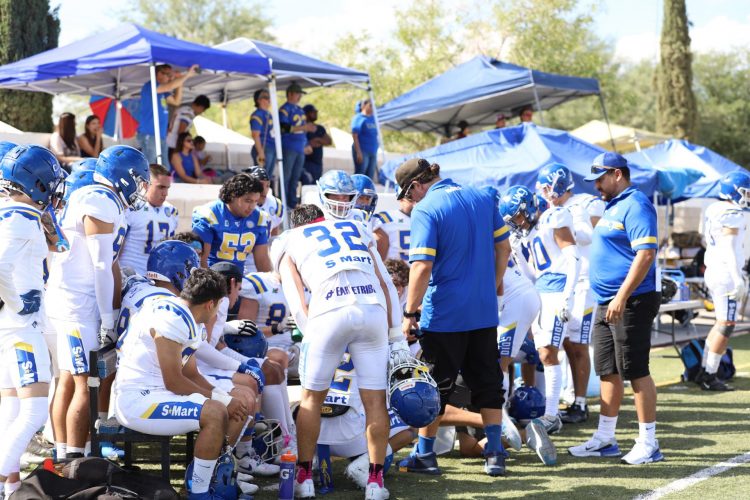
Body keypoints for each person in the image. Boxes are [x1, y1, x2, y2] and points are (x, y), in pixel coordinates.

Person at [395, 158, 512, 477]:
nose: (410, 201)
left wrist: (410, 312)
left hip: (444, 312)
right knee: (489, 383)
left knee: (434, 387)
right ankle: (495, 453)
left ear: (415, 186)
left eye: (408, 194)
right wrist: (490, 287)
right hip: (483, 310)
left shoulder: (426, 208)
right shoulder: (483, 196)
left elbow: (421, 266)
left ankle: (425, 454)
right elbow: (504, 249)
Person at [279, 204, 394, 499]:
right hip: (372, 309)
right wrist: (397, 336)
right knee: (376, 401)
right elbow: (385, 282)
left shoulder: (289, 238)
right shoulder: (355, 226)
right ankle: (375, 482)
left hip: (329, 311)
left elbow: (295, 298)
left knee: (311, 400)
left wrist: (312, 333)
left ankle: (305, 478)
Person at [47, 145, 149, 460]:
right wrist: (108, 318)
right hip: (76, 304)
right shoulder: (99, 200)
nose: (140, 188)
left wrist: (112, 308)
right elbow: (101, 265)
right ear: (125, 176)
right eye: (139, 180)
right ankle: (74, 459)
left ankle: (68, 456)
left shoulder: (107, 200)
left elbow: (112, 264)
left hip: (79, 301)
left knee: (71, 379)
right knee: (84, 383)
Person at [114, 268, 251, 500]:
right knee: (215, 412)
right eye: (219, 305)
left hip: (157, 394)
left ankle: (210, 479)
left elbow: (192, 375)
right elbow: (174, 381)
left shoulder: (185, 315)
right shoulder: (172, 318)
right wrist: (222, 400)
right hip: (137, 400)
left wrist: (225, 397)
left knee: (232, 403)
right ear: (210, 304)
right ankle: (199, 493)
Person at [569, 152, 661, 465]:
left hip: (631, 300)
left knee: (636, 370)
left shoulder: (636, 204)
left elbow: (645, 254)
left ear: (617, 174)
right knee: (607, 369)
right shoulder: (613, 204)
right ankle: (605, 438)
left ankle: (649, 443)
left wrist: (621, 296)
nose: (596, 186)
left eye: (600, 179)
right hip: (607, 300)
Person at [0, 145, 66, 497]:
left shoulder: (16, 212)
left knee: (12, 409)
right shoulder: (20, 217)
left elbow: (59, 247)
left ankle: (11, 487)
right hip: (21, 327)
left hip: (12, 326)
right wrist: (18, 302)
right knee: (34, 411)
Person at [536, 163, 605, 423]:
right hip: (559, 284)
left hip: (583, 282)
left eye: (547, 186)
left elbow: (595, 235)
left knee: (577, 344)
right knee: (560, 343)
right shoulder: (550, 211)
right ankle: (564, 397)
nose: (545, 192)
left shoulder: (587, 203)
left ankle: (580, 403)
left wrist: (566, 225)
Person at [698, 171, 750, 391]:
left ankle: (704, 370)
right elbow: (729, 247)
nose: (748, 196)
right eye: (746, 192)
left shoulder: (715, 208)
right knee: (727, 325)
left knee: (721, 322)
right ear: (733, 191)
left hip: (716, 270)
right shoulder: (732, 212)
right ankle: (710, 375)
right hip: (727, 274)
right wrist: (737, 278)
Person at [191, 174, 271, 272]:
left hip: (239, 276)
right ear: (233, 195)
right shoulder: (210, 214)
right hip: (211, 274)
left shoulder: (258, 218)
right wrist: (210, 281)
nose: (252, 206)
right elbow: (200, 260)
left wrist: (269, 280)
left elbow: (262, 261)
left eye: (255, 201)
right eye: (248, 201)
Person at [118, 163, 180, 276]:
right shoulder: (131, 208)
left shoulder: (172, 211)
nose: (165, 193)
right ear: (146, 185)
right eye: (161, 187)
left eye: (167, 188)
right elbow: (118, 248)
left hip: (157, 276)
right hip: (130, 275)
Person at [137, 63, 198, 167]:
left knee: (165, 167)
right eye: (168, 75)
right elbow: (170, 86)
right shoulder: (150, 85)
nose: (170, 78)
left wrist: (180, 82)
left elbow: (176, 101)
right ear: (159, 74)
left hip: (161, 135)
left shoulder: (162, 91)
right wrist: (186, 75)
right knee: (151, 166)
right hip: (149, 133)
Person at [241, 167, 284, 273]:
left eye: (268, 185)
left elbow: (273, 234)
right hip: (241, 257)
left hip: (262, 255)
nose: (265, 190)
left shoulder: (275, 204)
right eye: (261, 185)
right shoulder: (242, 204)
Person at [279, 83, 315, 209]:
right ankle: (283, 202)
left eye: (300, 94)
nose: (299, 96)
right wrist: (304, 127)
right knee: (286, 176)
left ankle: (292, 202)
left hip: (300, 147)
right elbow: (284, 128)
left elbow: (304, 131)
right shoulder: (284, 109)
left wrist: (306, 144)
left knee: (295, 177)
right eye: (297, 94)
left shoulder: (300, 110)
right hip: (289, 146)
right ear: (290, 94)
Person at [166, 94, 210, 159]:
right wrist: (183, 147)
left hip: (169, 141)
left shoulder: (184, 109)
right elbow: (181, 131)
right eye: (203, 110)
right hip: (173, 144)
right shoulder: (188, 113)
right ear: (201, 107)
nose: (201, 112)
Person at [373, 197, 414, 262]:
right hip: (394, 267)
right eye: (411, 199)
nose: (415, 203)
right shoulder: (387, 218)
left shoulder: (427, 219)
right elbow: (379, 257)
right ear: (401, 199)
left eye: (420, 199)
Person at [249, 89, 277, 180]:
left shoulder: (268, 114)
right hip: (263, 148)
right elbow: (255, 134)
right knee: (261, 178)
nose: (269, 100)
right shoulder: (257, 115)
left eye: (269, 97)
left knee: (267, 177)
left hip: (271, 147)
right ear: (258, 100)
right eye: (265, 97)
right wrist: (261, 152)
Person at [302, 104, 332, 185]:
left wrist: (318, 139)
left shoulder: (319, 128)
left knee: (315, 185)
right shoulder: (301, 128)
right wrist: (309, 143)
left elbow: (329, 141)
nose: (315, 114)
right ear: (306, 114)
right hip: (304, 162)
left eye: (316, 112)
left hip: (317, 163)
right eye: (313, 112)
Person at [351, 99, 379, 180]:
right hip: (363, 150)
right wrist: (358, 152)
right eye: (370, 105)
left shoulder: (374, 118)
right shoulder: (358, 118)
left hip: (373, 151)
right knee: (360, 174)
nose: (372, 108)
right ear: (364, 106)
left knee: (370, 176)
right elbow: (355, 135)